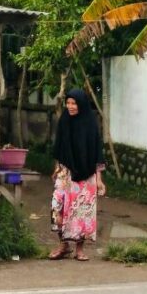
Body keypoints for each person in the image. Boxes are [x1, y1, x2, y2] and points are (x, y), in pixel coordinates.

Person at [49, 88, 106, 261]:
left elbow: (97, 152)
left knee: (82, 211)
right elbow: (59, 148)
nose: (70, 106)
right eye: (68, 103)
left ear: (81, 103)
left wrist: (99, 180)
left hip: (86, 175)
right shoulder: (64, 121)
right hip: (65, 172)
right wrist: (57, 168)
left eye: (74, 103)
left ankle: (79, 249)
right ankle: (63, 245)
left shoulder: (90, 123)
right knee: (57, 207)